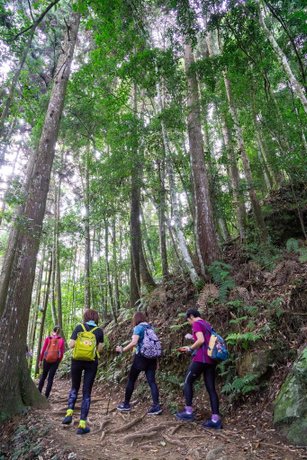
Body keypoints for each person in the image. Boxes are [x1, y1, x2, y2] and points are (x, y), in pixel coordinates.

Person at [176, 308, 222, 429]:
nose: (189, 323)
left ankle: (188, 412)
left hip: (201, 359)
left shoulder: (196, 323)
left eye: (188, 320)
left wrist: (190, 348)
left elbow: (201, 340)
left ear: (191, 316)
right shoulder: (206, 324)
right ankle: (215, 419)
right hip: (211, 360)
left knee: (187, 381)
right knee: (211, 388)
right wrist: (192, 340)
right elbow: (204, 340)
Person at [62, 309, 104, 435]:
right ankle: (82, 425)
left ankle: (69, 413)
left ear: (85, 317)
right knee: (87, 392)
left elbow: (71, 345)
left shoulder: (78, 327)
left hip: (76, 361)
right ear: (96, 318)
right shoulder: (99, 331)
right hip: (92, 362)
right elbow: (100, 349)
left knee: (74, 387)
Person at [116, 311, 162, 415]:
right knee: (152, 382)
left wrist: (122, 349)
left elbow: (134, 342)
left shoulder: (138, 328)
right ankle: (156, 406)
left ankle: (126, 404)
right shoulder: (150, 328)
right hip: (152, 358)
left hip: (141, 357)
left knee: (131, 380)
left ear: (135, 319)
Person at [38, 326, 65, 398]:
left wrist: (40, 360)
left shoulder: (48, 338)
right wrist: (59, 361)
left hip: (46, 359)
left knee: (43, 376)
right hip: (55, 360)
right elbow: (61, 353)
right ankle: (46, 396)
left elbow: (43, 350)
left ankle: (38, 392)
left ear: (52, 330)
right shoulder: (61, 340)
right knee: (50, 378)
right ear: (59, 332)